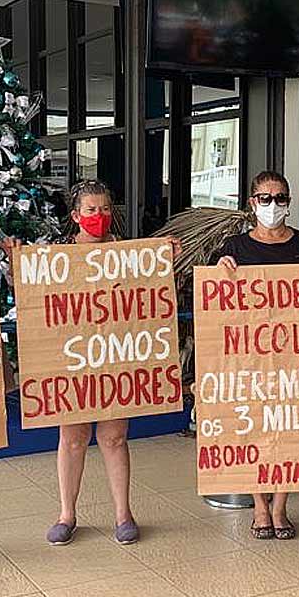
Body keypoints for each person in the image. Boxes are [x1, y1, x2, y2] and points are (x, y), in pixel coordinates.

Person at [45, 180, 181, 547]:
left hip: (115, 358)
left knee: (114, 437)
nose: (99, 216)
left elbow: (147, 296)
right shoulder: (57, 257)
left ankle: (123, 513)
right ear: (76, 216)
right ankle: (66, 514)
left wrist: (161, 255)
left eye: (105, 209)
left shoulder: (128, 253)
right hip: (72, 360)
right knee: (72, 438)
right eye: (91, 210)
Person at [212, 170, 299, 541]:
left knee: (290, 430)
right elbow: (212, 300)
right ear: (252, 203)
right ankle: (259, 507)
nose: (273, 205)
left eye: (280, 198)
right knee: (254, 430)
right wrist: (218, 272)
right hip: (248, 360)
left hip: (296, 359)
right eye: (265, 198)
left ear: (289, 201)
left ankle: (280, 506)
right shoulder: (233, 249)